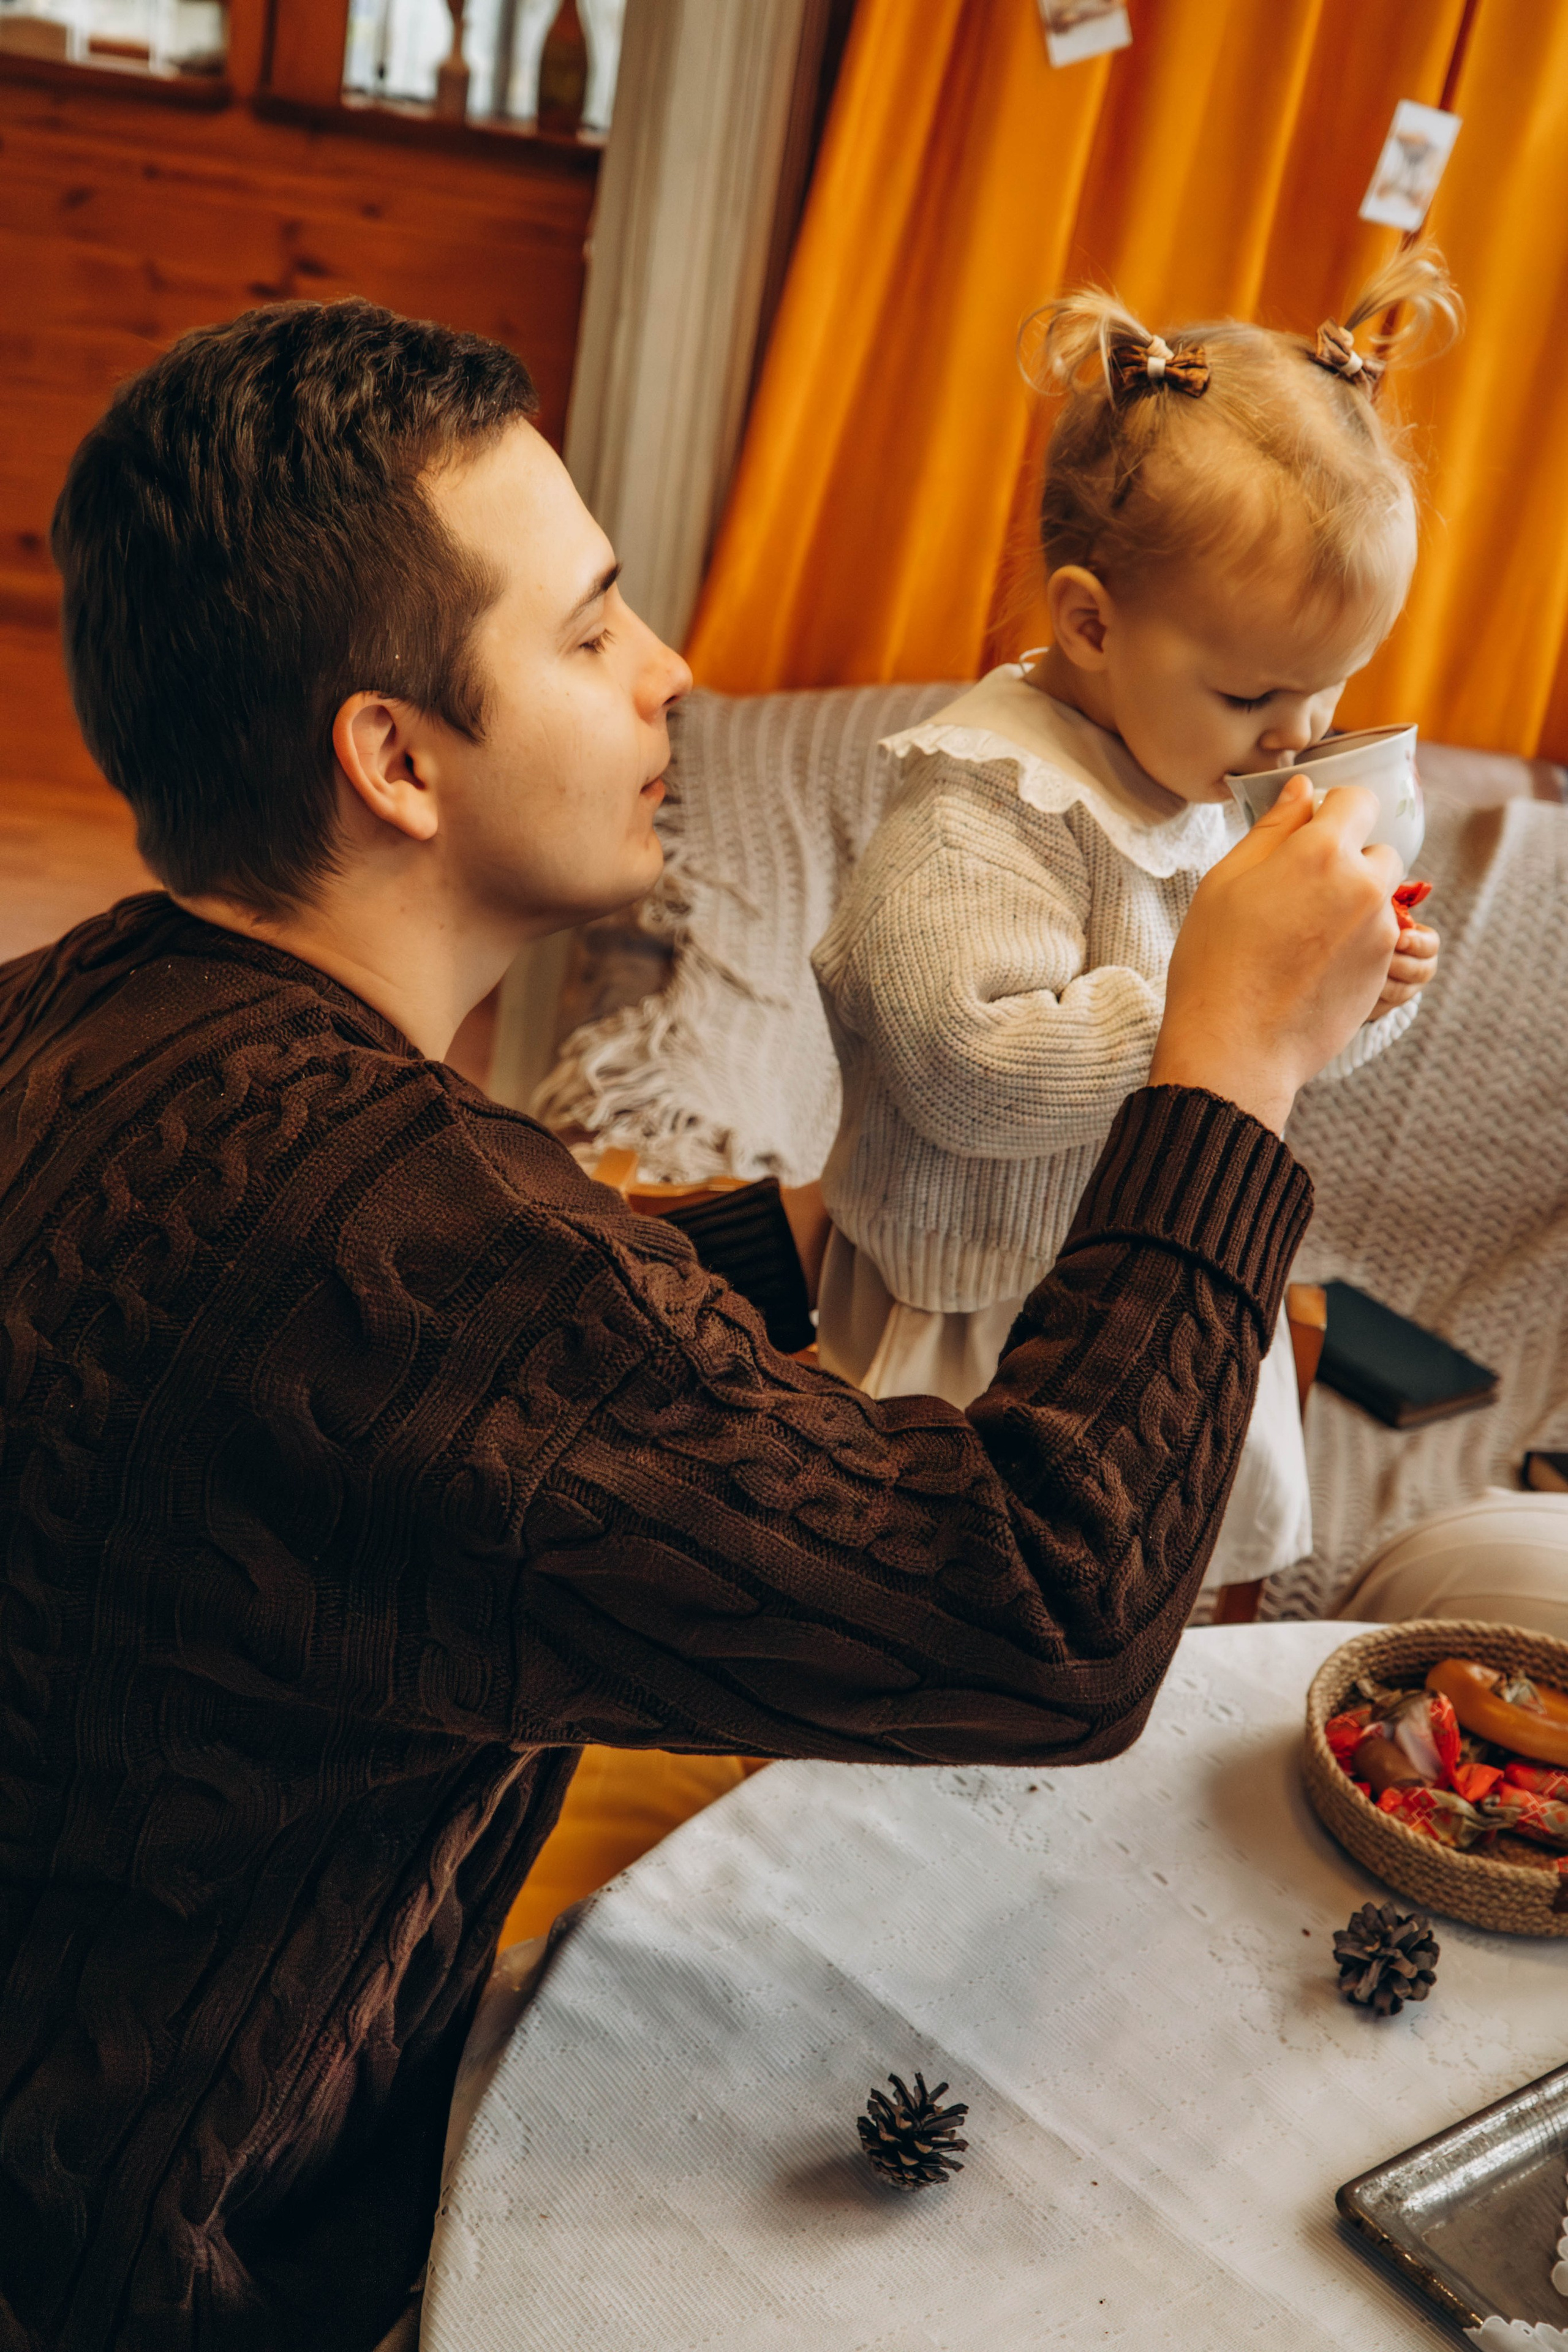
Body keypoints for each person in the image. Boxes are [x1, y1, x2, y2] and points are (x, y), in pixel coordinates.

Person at [1, 300, 1400, 2352]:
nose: (672, 678)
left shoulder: (82, 1012)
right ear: (392, 756)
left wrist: (835, 1237)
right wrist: (1228, 1074)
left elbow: (376, 1411)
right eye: (588, 633)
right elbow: (1042, 1611)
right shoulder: (423, 1254)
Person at [812, 251, 1457, 1595]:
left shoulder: (1217, 781)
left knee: (1140, 1600)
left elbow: (1275, 1062)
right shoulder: (983, 809)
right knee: (949, 1630)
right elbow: (963, 1071)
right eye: (1249, 696)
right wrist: (1228, 1001)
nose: (1296, 739)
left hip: (1166, 1288)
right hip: (977, 1323)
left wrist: (1354, 989)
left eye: (1329, 691)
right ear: (1090, 625)